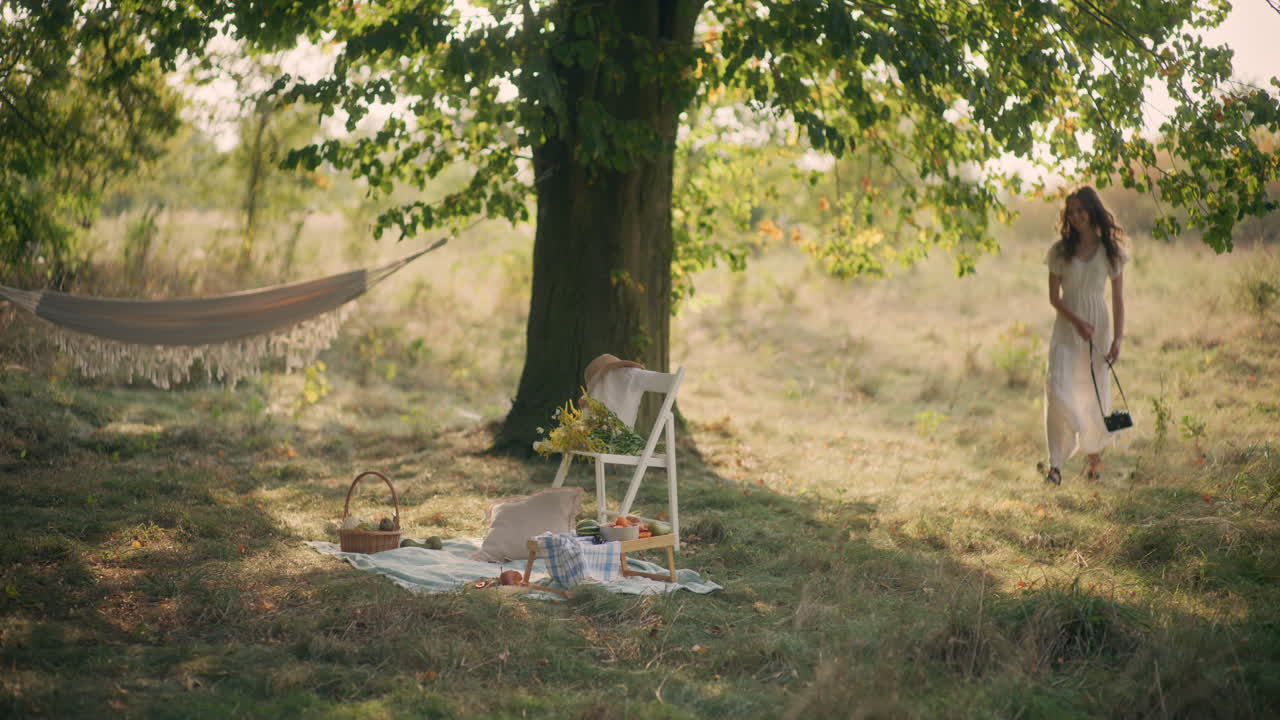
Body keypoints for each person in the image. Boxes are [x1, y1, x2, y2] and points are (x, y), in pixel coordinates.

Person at [1041, 187, 1127, 485]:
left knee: (1094, 390)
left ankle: (1092, 462)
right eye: (1071, 211)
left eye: (1081, 210)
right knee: (1056, 386)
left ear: (1092, 211)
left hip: (1098, 326)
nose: (1076, 216)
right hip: (1067, 326)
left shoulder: (1110, 251)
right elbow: (1054, 297)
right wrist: (1076, 321)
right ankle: (1057, 460)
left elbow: (1117, 299)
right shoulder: (1059, 251)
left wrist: (1117, 339)